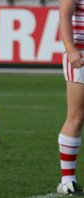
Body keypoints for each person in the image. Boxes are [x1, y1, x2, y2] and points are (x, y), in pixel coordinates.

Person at [57, 0, 84, 195]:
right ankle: (67, 180)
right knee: (77, 116)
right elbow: (64, 15)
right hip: (81, 55)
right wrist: (70, 48)